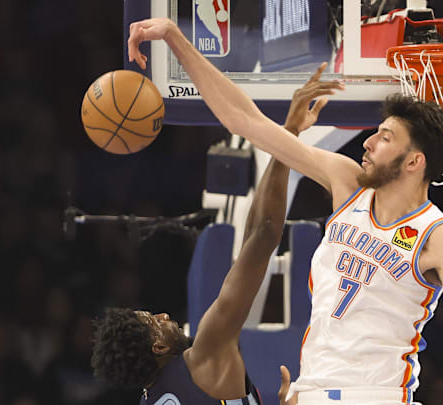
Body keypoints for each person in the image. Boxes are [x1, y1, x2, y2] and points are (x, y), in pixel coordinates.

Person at [127, 18, 443, 405]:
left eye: (384, 138)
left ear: (414, 162)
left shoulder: (438, 238)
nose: (368, 142)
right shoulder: (346, 182)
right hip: (311, 392)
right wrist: (173, 36)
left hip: (376, 396)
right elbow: (245, 120)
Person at [89, 73, 334, 405]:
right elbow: (264, 233)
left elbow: (255, 236)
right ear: (157, 346)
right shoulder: (204, 354)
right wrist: (287, 133)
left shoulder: (153, 399)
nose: (163, 316)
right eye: (154, 321)